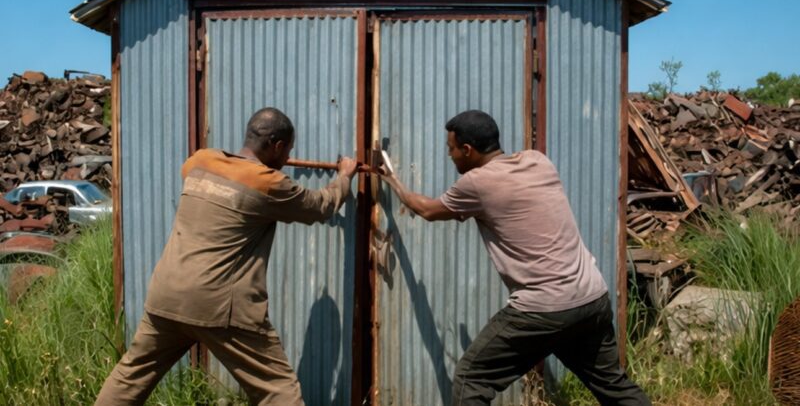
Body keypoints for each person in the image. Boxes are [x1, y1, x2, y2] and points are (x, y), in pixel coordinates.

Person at [379, 110, 650, 406]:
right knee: (613, 385)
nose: (450, 156)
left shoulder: (477, 183)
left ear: (467, 150)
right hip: (591, 297)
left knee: (472, 378)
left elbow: (428, 210)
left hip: (544, 308)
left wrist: (394, 182)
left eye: (451, 149)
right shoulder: (538, 161)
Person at [95, 107, 358, 406]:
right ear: (277, 145)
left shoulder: (200, 162)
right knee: (277, 389)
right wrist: (344, 177)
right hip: (219, 305)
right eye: (287, 152)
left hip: (167, 295)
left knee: (130, 378)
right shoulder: (268, 183)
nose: (286, 160)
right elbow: (320, 206)